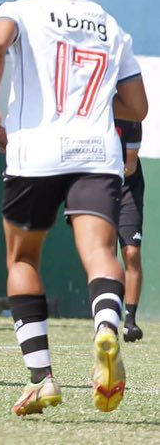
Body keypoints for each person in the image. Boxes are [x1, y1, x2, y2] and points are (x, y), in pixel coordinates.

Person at [0, 0, 147, 415]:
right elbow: (137, 107)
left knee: (22, 259)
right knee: (100, 253)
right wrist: (94, 102)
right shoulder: (111, 26)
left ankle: (42, 379)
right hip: (96, 152)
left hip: (35, 153)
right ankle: (107, 327)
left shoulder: (20, 10)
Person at [116, 119, 145, 343]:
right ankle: (105, 317)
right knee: (102, 253)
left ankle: (130, 321)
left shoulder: (132, 118)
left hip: (128, 189)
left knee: (131, 252)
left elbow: (130, 165)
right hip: (97, 187)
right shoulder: (91, 115)